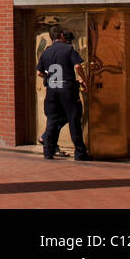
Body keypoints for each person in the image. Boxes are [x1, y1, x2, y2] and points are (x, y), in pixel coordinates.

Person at [37, 24, 89, 161]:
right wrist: (84, 80)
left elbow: (39, 72)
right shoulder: (68, 49)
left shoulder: (46, 52)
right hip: (67, 90)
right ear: (61, 35)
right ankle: (80, 152)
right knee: (73, 119)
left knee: (52, 120)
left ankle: (48, 151)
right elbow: (77, 66)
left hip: (52, 91)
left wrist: (48, 78)